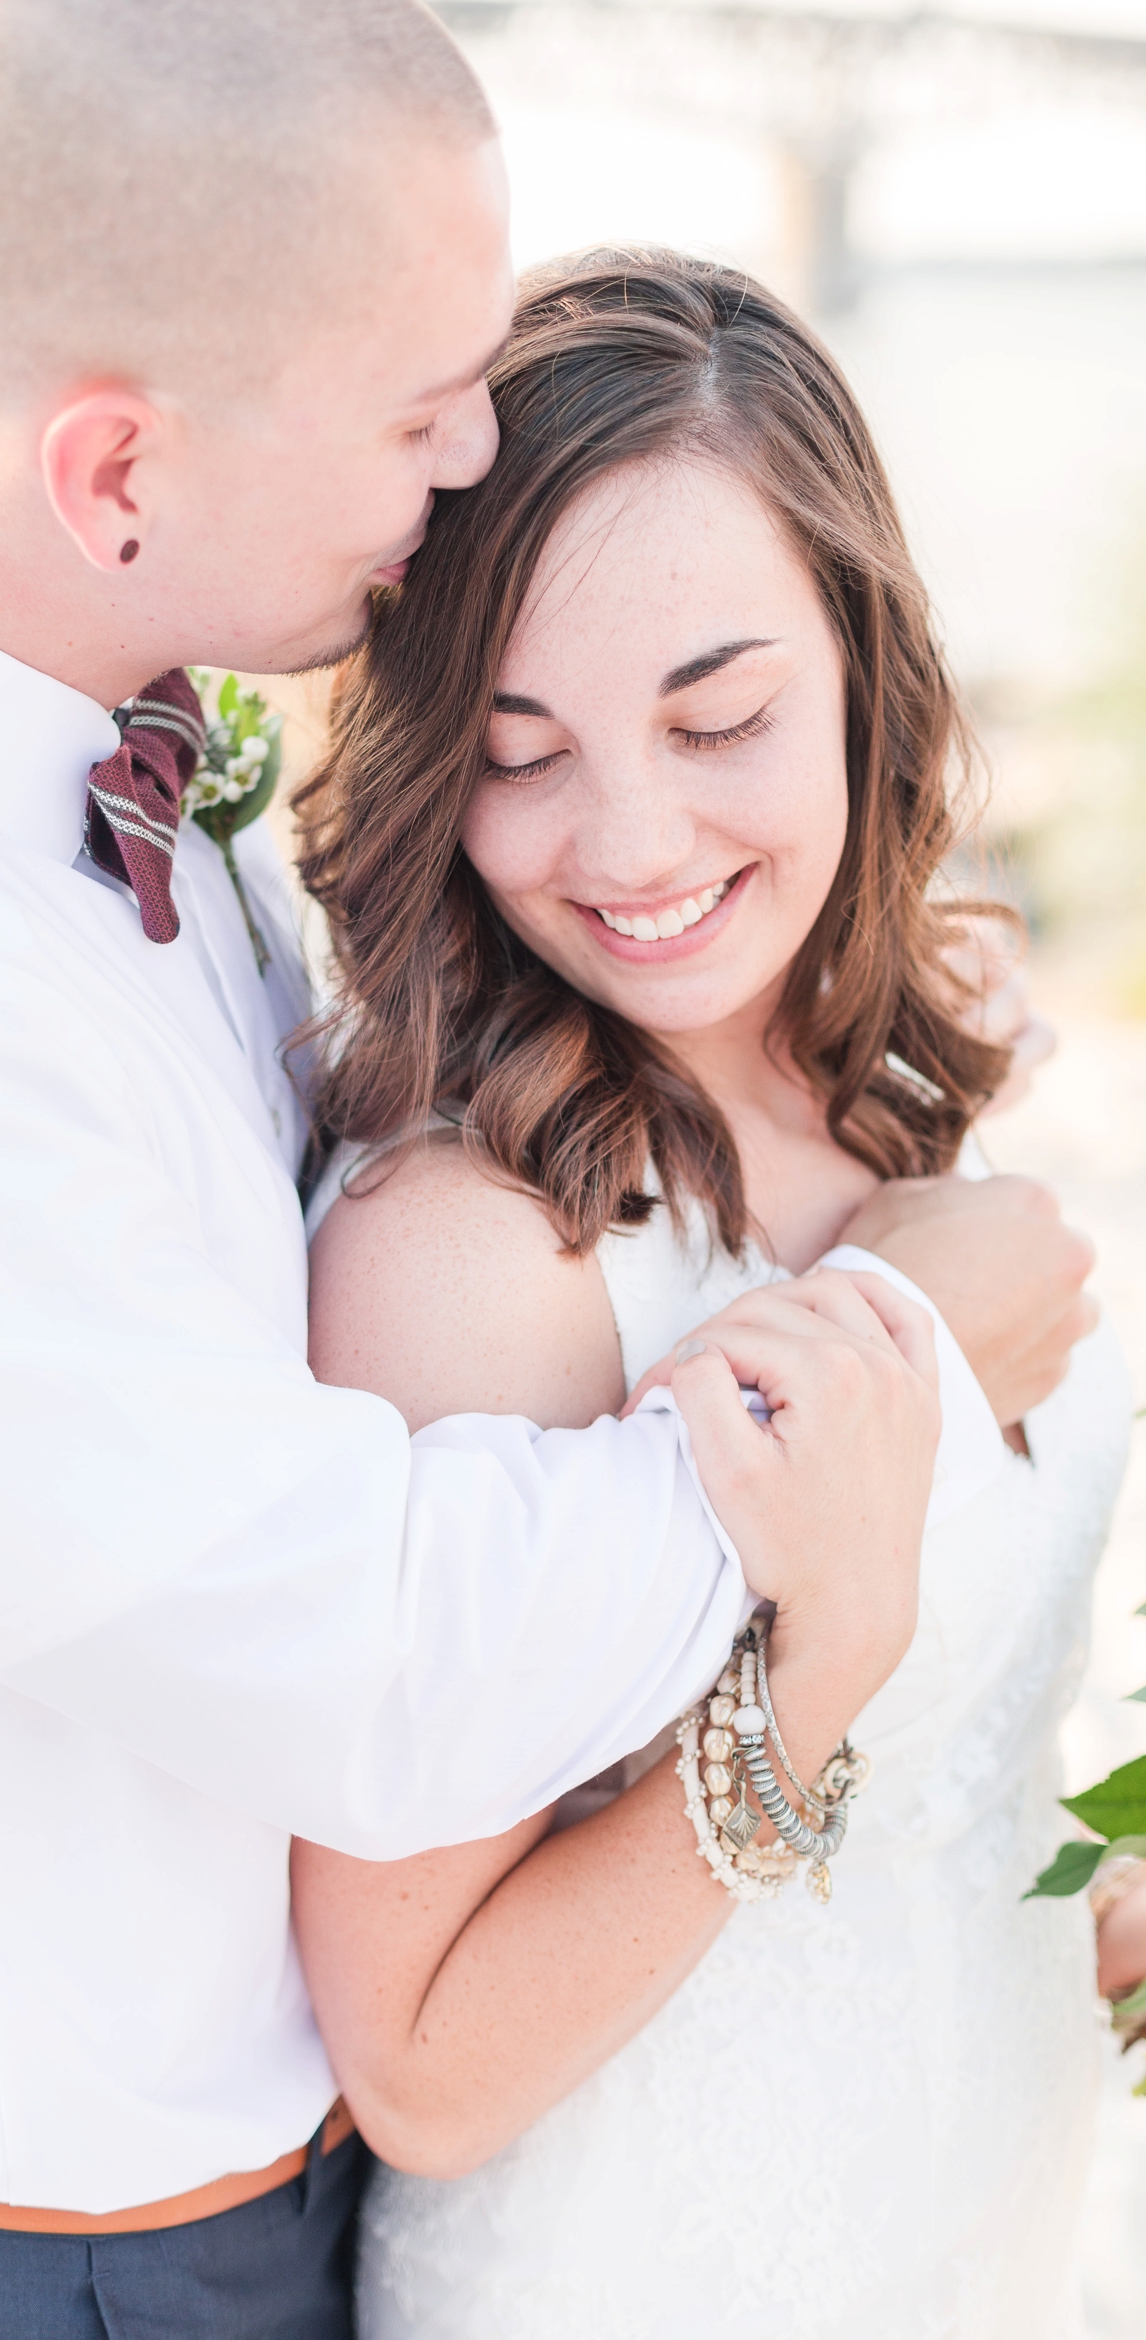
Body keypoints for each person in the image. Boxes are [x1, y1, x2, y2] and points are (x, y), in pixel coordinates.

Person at [0, 3, 1090, 2332]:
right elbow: (370, 1657)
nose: (469, 452)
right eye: (413, 411)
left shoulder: (112, 751)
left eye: (721, 714)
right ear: (113, 475)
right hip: (2, 2274)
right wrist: (891, 1362)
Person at [292, 249, 1137, 2340]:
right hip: (647, 2275)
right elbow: (421, 2064)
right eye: (520, 749)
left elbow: (974, 1777)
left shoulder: (940, 1076)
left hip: (994, 2226)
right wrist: (819, 1667)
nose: (630, 836)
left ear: (861, 660)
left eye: (718, 715)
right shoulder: (471, 1257)